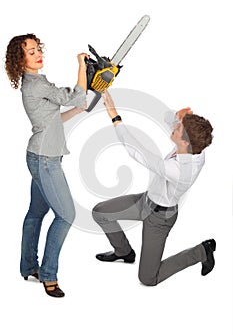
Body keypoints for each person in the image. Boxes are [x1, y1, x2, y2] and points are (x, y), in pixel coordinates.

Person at [92, 90, 216, 286]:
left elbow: (136, 152)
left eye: (178, 128)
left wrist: (115, 116)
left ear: (185, 142)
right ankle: (124, 252)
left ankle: (201, 251)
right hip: (145, 201)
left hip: (160, 218)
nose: (174, 127)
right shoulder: (192, 146)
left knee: (148, 278)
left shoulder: (180, 170)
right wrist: (178, 116)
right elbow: (170, 122)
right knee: (100, 212)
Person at [5, 33, 89, 297]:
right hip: (45, 160)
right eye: (30, 52)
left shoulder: (35, 84)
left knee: (35, 214)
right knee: (67, 215)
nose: (37, 54)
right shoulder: (37, 85)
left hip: (40, 156)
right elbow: (75, 95)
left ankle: (28, 266)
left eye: (36, 49)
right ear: (20, 61)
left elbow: (52, 118)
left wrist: (77, 111)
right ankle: (48, 275)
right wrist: (82, 68)